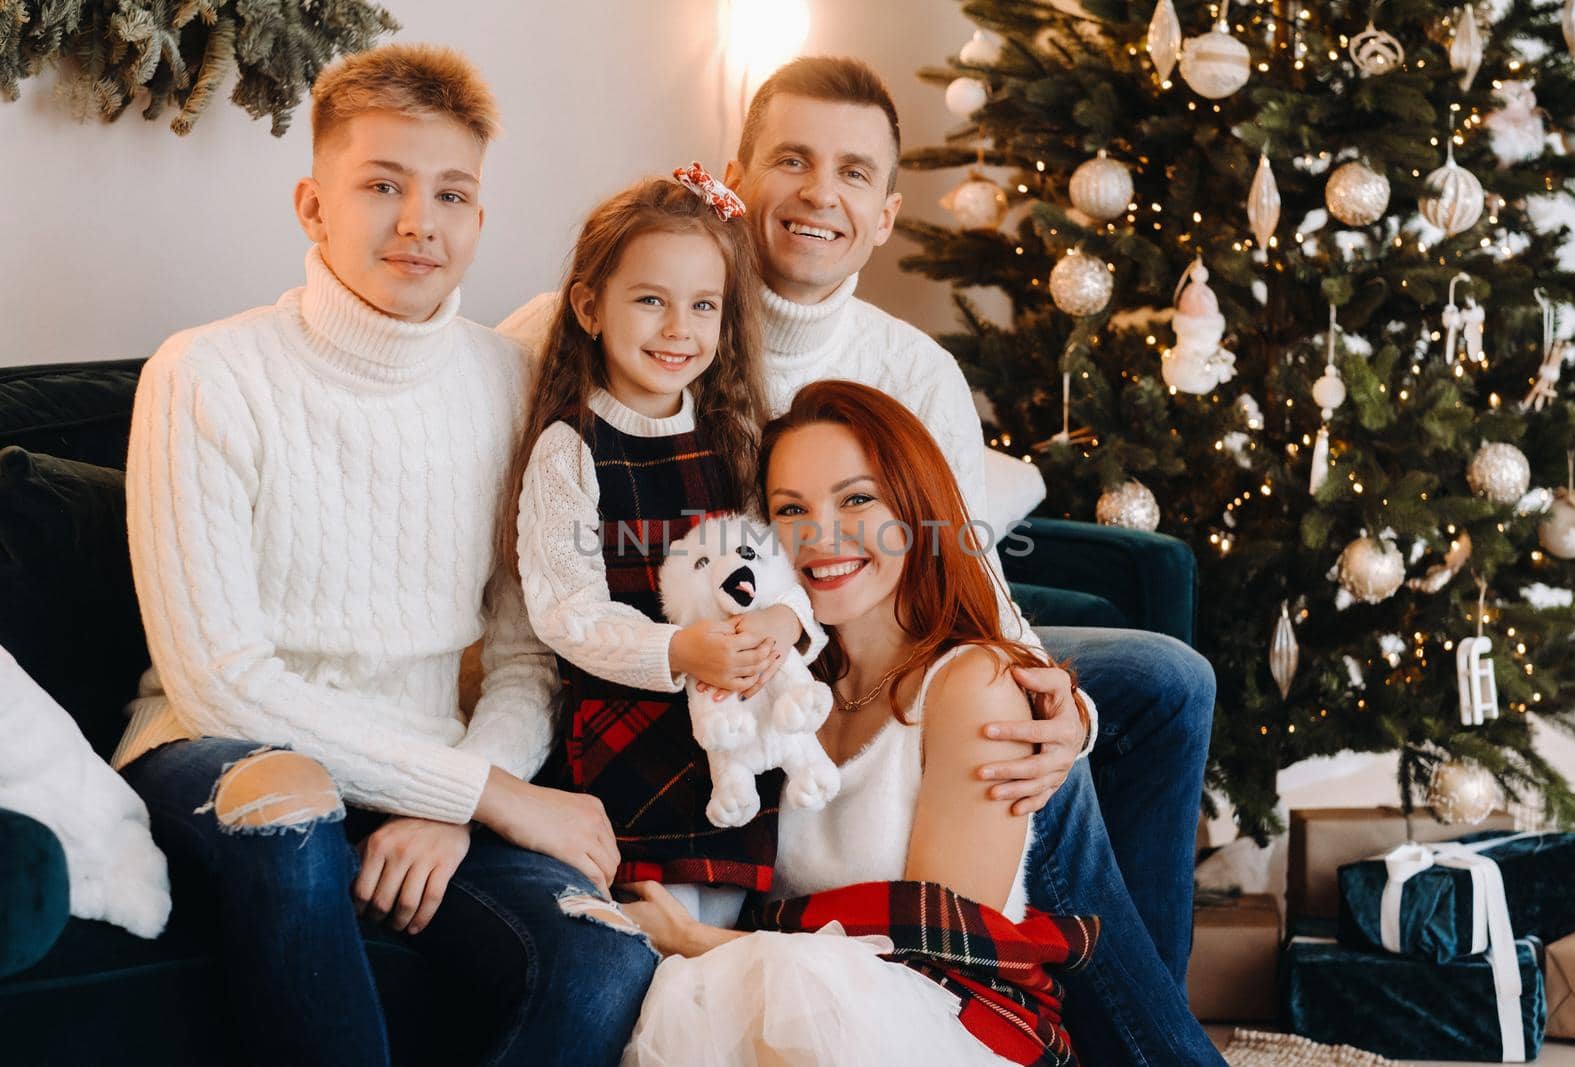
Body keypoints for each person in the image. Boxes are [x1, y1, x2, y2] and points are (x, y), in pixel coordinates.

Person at [501, 57, 1221, 1064]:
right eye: (790, 159)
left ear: (883, 214)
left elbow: (966, 569)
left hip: (871, 633)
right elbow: (537, 595)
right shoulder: (632, 324)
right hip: (748, 662)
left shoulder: (913, 368)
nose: (816, 192)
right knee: (1034, 757)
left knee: (1147, 684)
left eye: (850, 172)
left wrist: (1060, 707)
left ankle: (1143, 1022)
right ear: (739, 177)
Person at [111, 44, 654, 1067]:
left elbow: (524, 653)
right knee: (291, 809)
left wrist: (451, 804)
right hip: (220, 751)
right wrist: (482, 794)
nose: (420, 221)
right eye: (383, 186)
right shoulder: (207, 374)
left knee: (603, 960)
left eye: (451, 193)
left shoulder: (511, 381)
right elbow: (221, 680)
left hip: (432, 762)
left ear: (479, 220)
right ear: (313, 205)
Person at [617, 379, 1099, 1067]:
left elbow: (937, 969)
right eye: (792, 509)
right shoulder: (783, 680)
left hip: (951, 1025)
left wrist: (696, 940)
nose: (821, 536)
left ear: (915, 508)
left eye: (856, 498)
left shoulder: (973, 686)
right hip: (788, 1016)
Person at [503, 169, 824, 929]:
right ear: (590, 307)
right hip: (627, 749)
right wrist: (682, 649)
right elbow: (567, 614)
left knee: (727, 925)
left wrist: (787, 622)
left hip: (741, 743)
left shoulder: (739, 441)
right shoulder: (568, 449)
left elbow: (789, 572)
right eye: (651, 300)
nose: (679, 329)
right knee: (656, 940)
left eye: (702, 306)